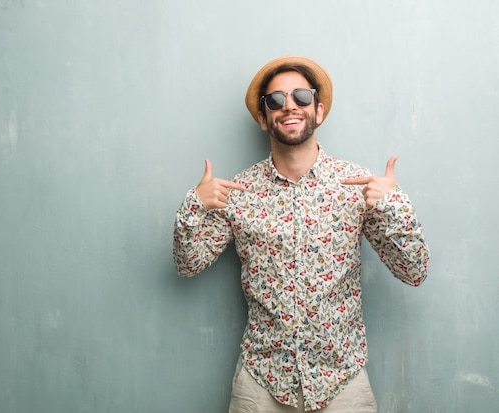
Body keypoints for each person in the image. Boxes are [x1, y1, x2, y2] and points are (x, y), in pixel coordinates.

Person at [172, 55, 430, 412]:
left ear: (318, 110)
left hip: (341, 381)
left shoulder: (356, 185)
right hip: (261, 384)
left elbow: (413, 271)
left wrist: (394, 206)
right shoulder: (238, 193)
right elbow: (188, 265)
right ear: (264, 118)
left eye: (301, 97)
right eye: (275, 100)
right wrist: (195, 205)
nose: (289, 106)